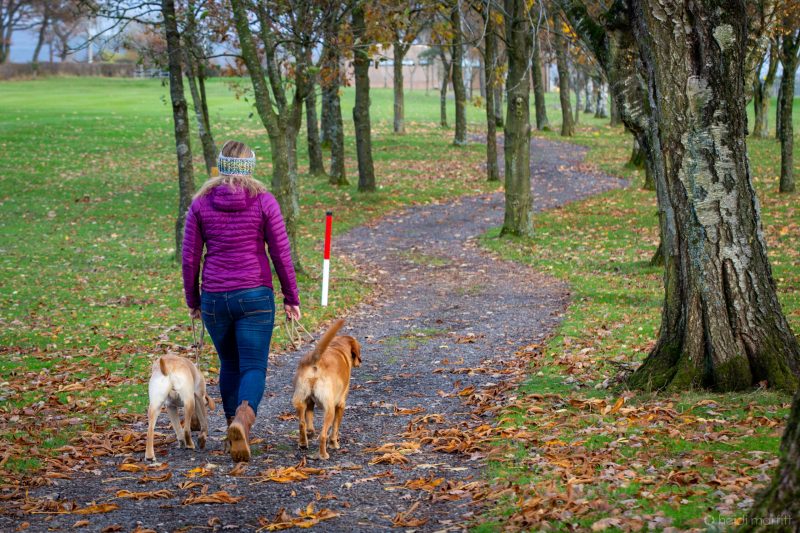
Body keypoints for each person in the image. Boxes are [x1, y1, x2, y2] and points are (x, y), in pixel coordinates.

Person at [182, 140, 301, 462]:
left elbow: (191, 257)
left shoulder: (201, 203)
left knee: (229, 364)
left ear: (221, 166)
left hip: (215, 299)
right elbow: (281, 253)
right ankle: (243, 421)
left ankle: (231, 430)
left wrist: (193, 299)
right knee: (253, 366)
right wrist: (292, 297)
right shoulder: (264, 200)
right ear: (250, 167)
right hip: (255, 296)